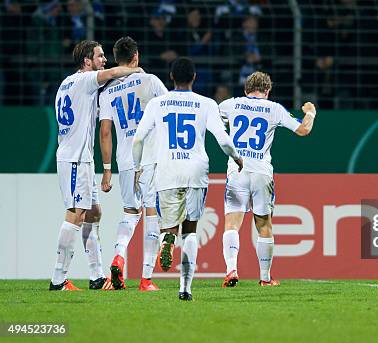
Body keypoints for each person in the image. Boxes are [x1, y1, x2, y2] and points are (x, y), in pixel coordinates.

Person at [132, 57, 243, 301]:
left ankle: (166, 240)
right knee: (191, 230)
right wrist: (236, 158)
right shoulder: (207, 104)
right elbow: (223, 140)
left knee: (168, 226)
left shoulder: (158, 104)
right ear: (194, 77)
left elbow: (138, 138)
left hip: (167, 170)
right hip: (196, 170)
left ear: (171, 77)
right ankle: (185, 289)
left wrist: (138, 167)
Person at [50, 40, 142, 291]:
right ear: (87, 61)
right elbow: (112, 73)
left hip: (83, 158)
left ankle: (97, 276)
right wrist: (136, 70)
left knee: (93, 213)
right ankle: (58, 279)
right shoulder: (83, 80)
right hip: (74, 158)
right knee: (75, 213)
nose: (104, 60)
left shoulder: (65, 84)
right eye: (100, 56)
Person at [218, 71, 317, 287]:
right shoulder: (274, 109)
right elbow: (303, 130)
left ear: (245, 90)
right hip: (262, 173)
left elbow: (213, 122)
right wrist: (310, 113)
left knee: (232, 225)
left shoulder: (230, 105)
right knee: (264, 225)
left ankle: (231, 270)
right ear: (268, 90)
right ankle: (264, 278)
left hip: (238, 170)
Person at [98, 37, 168, 291]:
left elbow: (105, 132)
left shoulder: (106, 92)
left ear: (117, 59)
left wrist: (107, 170)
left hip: (125, 160)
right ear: (136, 57)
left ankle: (118, 259)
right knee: (151, 214)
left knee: (130, 212)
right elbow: (170, 112)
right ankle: (146, 279)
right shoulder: (150, 81)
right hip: (149, 158)